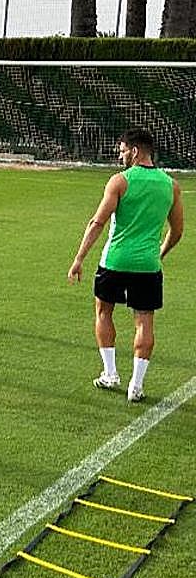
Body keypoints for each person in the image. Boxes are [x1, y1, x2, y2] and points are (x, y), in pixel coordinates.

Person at [67, 128, 183, 402]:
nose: (119, 156)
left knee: (103, 312)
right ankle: (136, 386)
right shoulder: (171, 185)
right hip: (147, 265)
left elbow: (98, 222)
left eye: (121, 151)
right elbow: (177, 231)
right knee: (144, 321)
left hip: (115, 261)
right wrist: (159, 254)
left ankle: (110, 373)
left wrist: (79, 258)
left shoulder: (120, 181)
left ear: (134, 151)